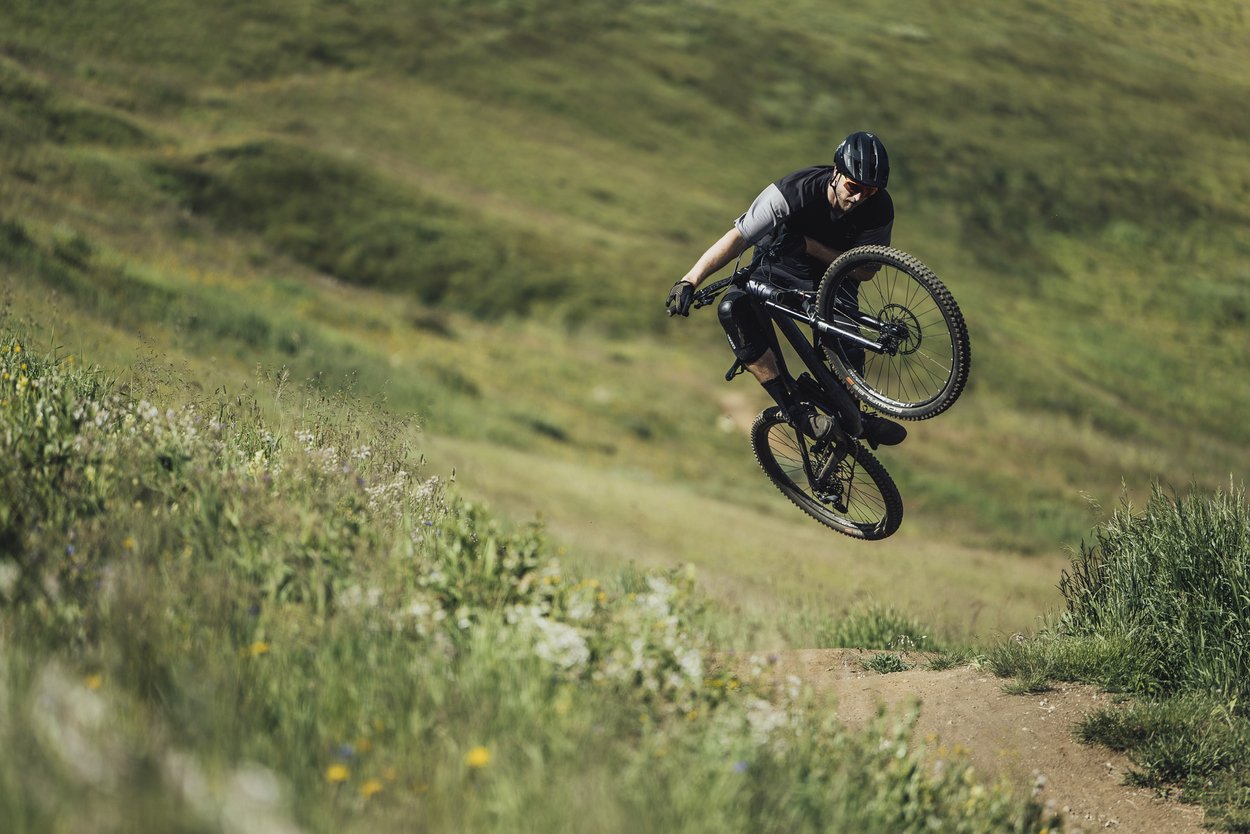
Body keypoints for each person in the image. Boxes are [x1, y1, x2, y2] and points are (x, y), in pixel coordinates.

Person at [666, 131, 906, 446]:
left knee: (844, 338)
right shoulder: (793, 191)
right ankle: (794, 410)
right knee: (733, 310)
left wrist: (809, 246)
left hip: (836, 274)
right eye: (854, 187)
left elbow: (864, 271)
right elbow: (739, 238)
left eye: (869, 191)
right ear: (836, 173)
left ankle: (857, 417)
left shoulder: (879, 208)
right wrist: (689, 280)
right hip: (777, 267)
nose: (860, 197)